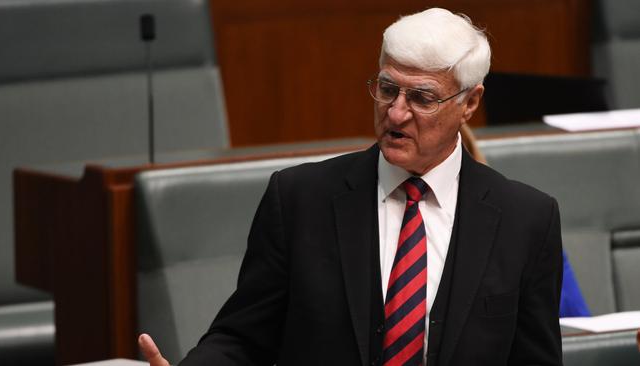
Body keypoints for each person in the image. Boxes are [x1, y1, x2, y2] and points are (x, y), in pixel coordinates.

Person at [139, 7, 563, 366]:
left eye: (421, 98)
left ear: (469, 103)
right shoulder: (300, 199)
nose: (396, 114)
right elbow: (243, 337)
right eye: (387, 89)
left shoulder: (525, 219)